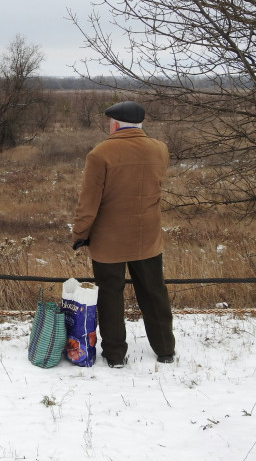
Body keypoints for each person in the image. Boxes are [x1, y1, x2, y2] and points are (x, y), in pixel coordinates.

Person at [72, 100, 175, 368]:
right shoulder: (159, 149)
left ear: (115, 124)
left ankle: (115, 355)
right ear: (140, 124)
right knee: (154, 292)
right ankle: (165, 349)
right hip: (148, 237)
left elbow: (89, 201)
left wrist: (80, 232)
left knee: (110, 296)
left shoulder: (100, 154)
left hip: (109, 240)